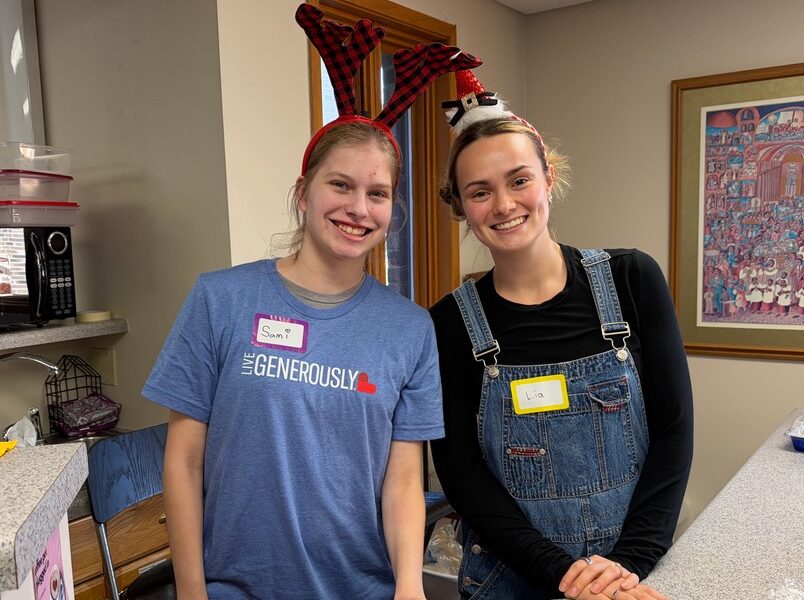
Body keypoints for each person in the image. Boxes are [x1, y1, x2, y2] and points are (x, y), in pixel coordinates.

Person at [142, 6, 479, 599]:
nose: (358, 208)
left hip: (365, 589)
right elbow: (184, 462)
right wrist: (192, 593)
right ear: (304, 193)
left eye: (377, 193)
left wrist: (409, 587)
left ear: (391, 210)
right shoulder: (220, 300)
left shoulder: (409, 329)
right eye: (340, 185)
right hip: (236, 588)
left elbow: (403, 481)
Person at [430, 71, 693, 600]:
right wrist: (566, 576)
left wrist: (625, 567)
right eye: (480, 192)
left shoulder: (631, 279)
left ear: (549, 178)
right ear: (461, 206)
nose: (503, 205)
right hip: (510, 578)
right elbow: (460, 471)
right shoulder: (448, 323)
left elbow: (673, 431)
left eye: (519, 179)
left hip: (630, 574)